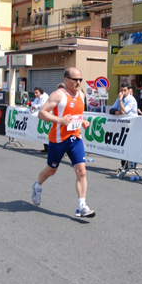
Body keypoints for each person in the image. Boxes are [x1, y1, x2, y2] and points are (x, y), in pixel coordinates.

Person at [31, 67, 95, 218]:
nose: (78, 82)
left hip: (75, 138)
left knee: (82, 171)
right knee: (51, 170)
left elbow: (76, 115)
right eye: (75, 79)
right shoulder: (58, 95)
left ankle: (82, 206)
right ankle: (37, 186)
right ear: (66, 80)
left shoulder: (81, 95)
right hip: (58, 139)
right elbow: (42, 113)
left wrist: (83, 122)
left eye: (80, 79)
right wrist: (60, 120)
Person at [31, 87, 50, 152]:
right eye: (34, 93)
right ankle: (45, 147)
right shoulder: (37, 98)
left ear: (40, 92)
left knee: (46, 133)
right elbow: (34, 103)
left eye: (37, 93)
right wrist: (32, 106)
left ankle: (49, 148)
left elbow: (42, 105)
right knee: (42, 133)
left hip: (46, 116)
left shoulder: (45, 97)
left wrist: (35, 106)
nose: (35, 94)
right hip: (40, 117)